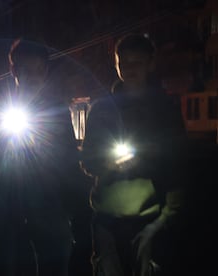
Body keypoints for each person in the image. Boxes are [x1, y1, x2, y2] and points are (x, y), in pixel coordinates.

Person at [0, 38, 88, 276]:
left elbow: (69, 165)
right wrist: (3, 144)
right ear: (13, 70)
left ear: (45, 71)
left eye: (38, 70)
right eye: (24, 69)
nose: (32, 76)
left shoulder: (56, 111)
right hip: (7, 210)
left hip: (49, 210)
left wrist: (79, 212)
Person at [80, 33, 187, 276]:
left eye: (136, 62)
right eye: (123, 62)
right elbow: (88, 159)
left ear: (151, 63)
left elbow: (177, 159)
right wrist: (106, 163)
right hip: (107, 217)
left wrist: (145, 163)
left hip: (151, 217)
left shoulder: (165, 109)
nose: (129, 68)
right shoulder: (102, 108)